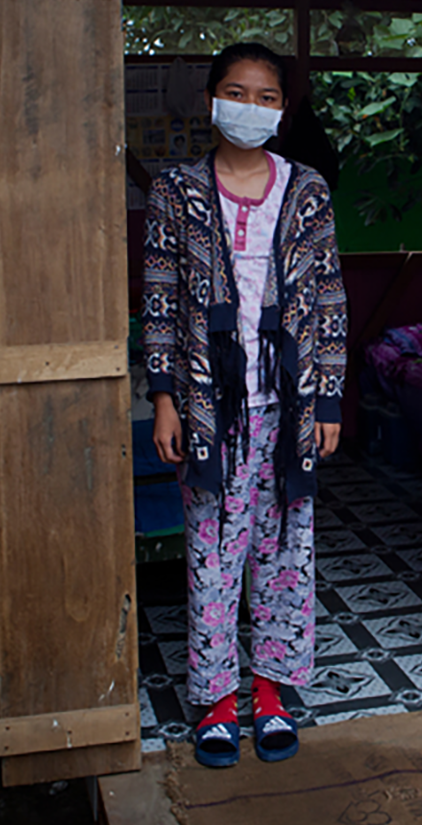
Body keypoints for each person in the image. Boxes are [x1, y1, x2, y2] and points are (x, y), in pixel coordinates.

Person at [143, 42, 347, 768]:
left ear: (282, 108)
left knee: (285, 551)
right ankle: (217, 702)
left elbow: (327, 298)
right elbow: (161, 298)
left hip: (289, 407)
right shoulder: (177, 189)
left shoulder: (308, 189)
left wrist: (327, 399)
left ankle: (270, 692)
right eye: (237, 92)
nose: (251, 107)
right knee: (211, 554)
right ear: (210, 101)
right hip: (207, 410)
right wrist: (164, 398)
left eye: (266, 96)